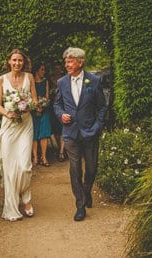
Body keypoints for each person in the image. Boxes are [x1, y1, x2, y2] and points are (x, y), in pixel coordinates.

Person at [54, 47, 107, 221]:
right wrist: (61, 114)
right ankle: (80, 205)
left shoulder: (94, 81)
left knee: (91, 169)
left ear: (80, 62)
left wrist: (97, 126)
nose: (67, 65)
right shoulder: (61, 82)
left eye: (70, 61)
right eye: (66, 62)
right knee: (75, 169)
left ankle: (86, 191)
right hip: (70, 133)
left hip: (90, 131)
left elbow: (102, 106)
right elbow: (57, 104)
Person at [0, 49, 38, 221]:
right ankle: (13, 203)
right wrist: (7, 113)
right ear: (9, 62)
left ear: (23, 62)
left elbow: (35, 100)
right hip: (9, 125)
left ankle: (26, 199)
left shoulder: (30, 77)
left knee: (25, 166)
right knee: (10, 167)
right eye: (14, 60)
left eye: (20, 60)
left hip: (25, 124)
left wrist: (28, 106)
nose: (17, 63)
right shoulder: (1, 80)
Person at [31, 63, 53, 167]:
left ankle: (43, 157)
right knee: (34, 134)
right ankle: (35, 157)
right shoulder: (31, 82)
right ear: (37, 71)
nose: (44, 72)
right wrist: (35, 107)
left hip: (44, 110)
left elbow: (47, 97)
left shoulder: (45, 82)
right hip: (32, 111)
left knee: (44, 133)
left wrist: (43, 105)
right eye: (42, 69)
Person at [50, 62, 66, 162]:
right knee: (56, 130)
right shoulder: (50, 79)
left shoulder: (65, 79)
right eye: (55, 68)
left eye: (59, 68)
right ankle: (60, 148)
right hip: (52, 106)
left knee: (63, 129)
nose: (57, 70)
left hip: (63, 106)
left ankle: (61, 152)